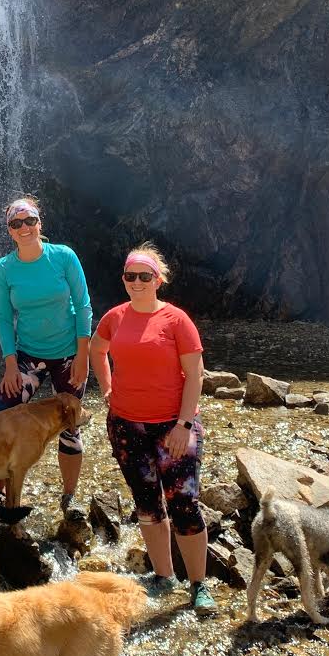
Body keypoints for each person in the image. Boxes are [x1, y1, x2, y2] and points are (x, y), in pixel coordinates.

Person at [89, 243, 215, 616]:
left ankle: (198, 585)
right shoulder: (114, 317)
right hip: (126, 425)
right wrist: (108, 388)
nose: (138, 282)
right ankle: (163, 575)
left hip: (173, 426)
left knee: (185, 505)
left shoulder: (176, 320)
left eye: (145, 276)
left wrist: (183, 424)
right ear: (124, 279)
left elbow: (196, 374)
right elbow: (97, 350)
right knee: (146, 503)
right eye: (131, 276)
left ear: (157, 280)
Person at [0, 196, 92, 511]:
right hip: (28, 355)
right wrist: (10, 365)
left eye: (29, 220)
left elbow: (84, 305)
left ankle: (69, 496)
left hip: (67, 354)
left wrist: (83, 354)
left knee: (70, 425)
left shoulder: (63, 257)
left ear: (40, 223)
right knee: (2, 415)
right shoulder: (5, 268)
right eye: (16, 223)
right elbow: (5, 320)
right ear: (9, 230)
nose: (24, 227)